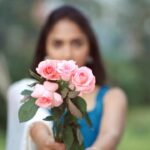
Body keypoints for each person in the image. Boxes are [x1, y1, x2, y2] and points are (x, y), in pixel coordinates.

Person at [6, 5, 127, 150]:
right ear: (45, 49)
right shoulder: (34, 93)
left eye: (77, 43)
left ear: (90, 49)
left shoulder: (112, 97)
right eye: (58, 44)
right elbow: (34, 123)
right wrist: (44, 140)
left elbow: (110, 135)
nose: (67, 54)